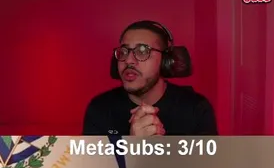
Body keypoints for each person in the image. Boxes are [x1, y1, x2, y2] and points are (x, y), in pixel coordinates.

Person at [82, 20, 217, 136]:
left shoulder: (196, 109)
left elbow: (209, 160)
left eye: (142, 51)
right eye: (124, 51)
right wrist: (133, 148)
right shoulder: (99, 109)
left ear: (165, 62)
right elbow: (92, 159)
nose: (128, 60)